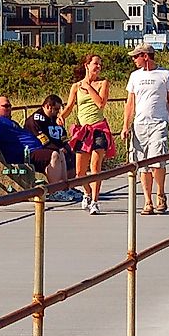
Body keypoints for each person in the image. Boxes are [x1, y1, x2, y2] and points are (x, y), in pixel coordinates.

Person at [121, 44, 169, 215]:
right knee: (142, 164)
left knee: (157, 161)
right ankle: (147, 200)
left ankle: (160, 193)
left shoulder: (165, 75)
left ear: (145, 56)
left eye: (136, 56)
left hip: (159, 123)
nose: (133, 59)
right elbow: (130, 103)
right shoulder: (134, 76)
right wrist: (125, 125)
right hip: (139, 125)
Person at [60, 53, 116, 215]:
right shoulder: (76, 87)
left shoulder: (103, 83)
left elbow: (100, 103)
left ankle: (95, 201)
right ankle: (87, 193)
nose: (98, 67)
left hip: (99, 129)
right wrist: (62, 116)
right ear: (87, 65)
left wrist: (89, 87)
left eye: (100, 64)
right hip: (83, 130)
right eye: (95, 64)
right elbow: (70, 106)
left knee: (95, 167)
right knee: (79, 173)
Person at [0, 96, 70, 190]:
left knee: (60, 153)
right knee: (53, 155)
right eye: (6, 106)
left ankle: (65, 189)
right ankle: (56, 191)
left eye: (10, 106)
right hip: (22, 155)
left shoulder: (12, 122)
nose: (9, 108)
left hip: (32, 151)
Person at [24, 94, 81, 201]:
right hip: (36, 150)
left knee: (69, 154)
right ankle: (55, 190)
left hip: (52, 147)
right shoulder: (36, 120)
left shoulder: (54, 119)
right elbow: (43, 140)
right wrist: (58, 148)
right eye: (56, 109)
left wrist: (67, 146)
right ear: (48, 106)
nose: (57, 112)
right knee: (56, 154)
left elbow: (62, 135)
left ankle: (65, 187)